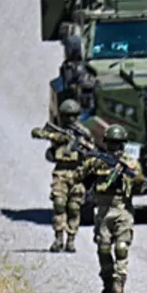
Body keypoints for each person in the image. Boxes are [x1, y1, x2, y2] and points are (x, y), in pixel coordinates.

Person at [76, 124, 144, 293]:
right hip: (103, 210)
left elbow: (140, 185)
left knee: (121, 248)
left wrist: (131, 176)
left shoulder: (130, 163)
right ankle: (107, 284)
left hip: (123, 209)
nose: (115, 148)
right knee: (103, 248)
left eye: (118, 144)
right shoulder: (98, 160)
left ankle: (119, 285)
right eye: (111, 144)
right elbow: (78, 176)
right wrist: (91, 165)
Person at [30, 98, 92, 252]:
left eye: (73, 116)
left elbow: (91, 150)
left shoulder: (83, 133)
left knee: (74, 207)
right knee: (59, 204)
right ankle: (58, 239)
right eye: (67, 116)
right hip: (60, 171)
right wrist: (56, 138)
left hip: (77, 173)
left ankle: (71, 240)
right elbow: (37, 132)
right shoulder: (57, 131)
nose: (70, 119)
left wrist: (84, 146)